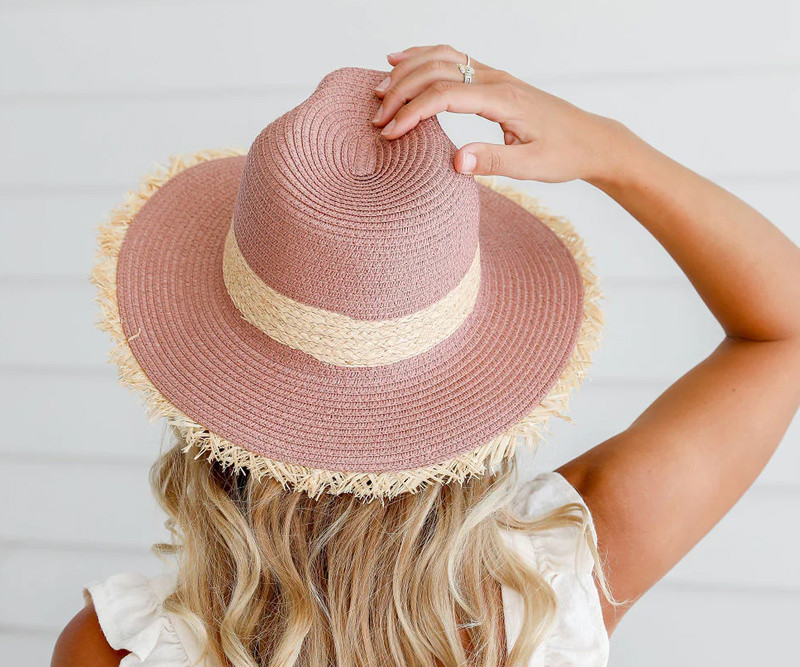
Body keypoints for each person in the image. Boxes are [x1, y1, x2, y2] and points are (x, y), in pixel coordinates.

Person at [52, 45, 800, 666]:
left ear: (204, 393)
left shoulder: (115, 647)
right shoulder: (559, 584)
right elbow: (785, 329)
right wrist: (613, 149)